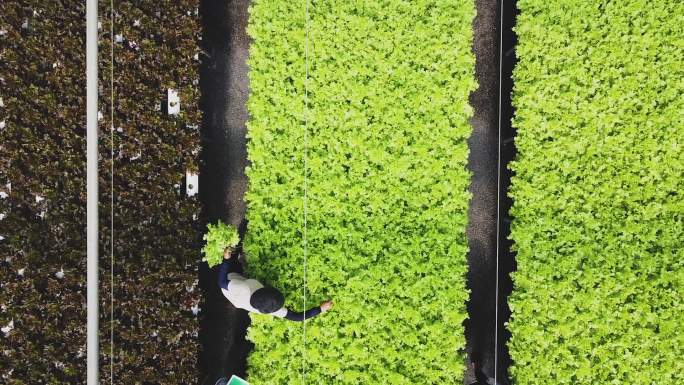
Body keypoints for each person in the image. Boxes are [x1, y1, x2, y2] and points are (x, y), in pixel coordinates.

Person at [217, 247, 333, 321]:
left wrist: (226, 259)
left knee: (232, 266)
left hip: (231, 286)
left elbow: (222, 282)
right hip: (236, 285)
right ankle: (239, 261)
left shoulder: (247, 290)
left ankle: (238, 260)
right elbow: (296, 317)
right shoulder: (268, 307)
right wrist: (320, 309)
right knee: (238, 270)